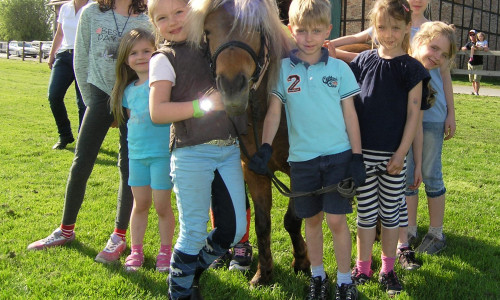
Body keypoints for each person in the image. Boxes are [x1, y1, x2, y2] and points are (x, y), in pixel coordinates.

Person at [250, 1, 365, 299]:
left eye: (316, 30)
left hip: (338, 157)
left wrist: (356, 156)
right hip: (302, 161)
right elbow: (274, 111)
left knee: (337, 221)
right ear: (291, 30)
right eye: (302, 30)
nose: (309, 37)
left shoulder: (340, 70)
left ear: (328, 30)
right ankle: (317, 278)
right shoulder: (282, 70)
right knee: (311, 220)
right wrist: (264, 147)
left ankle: (343, 281)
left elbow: (350, 115)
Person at [27, 0, 151, 265]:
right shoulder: (92, 12)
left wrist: (135, 100)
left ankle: (119, 236)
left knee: (129, 166)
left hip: (134, 100)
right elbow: (80, 58)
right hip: (99, 94)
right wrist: (92, 101)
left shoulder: (146, 18)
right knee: (81, 162)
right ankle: (65, 229)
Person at [147, 0, 247, 298]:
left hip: (228, 150)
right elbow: (157, 112)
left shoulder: (210, 44)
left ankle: (190, 271)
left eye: (179, 12)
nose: (173, 21)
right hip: (191, 152)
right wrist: (201, 107)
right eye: (163, 18)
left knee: (236, 229)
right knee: (192, 232)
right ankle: (179, 291)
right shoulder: (163, 58)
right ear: (155, 24)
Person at [348, 0, 430, 296]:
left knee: (391, 215)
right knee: (366, 214)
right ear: (374, 27)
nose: (389, 34)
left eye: (396, 27)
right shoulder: (363, 61)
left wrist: (401, 153)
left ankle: (387, 269)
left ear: (408, 27)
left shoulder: (412, 68)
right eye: (382, 27)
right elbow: (350, 108)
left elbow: (413, 115)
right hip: (363, 155)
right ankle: (362, 266)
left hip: (394, 157)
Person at [110, 28, 175, 272]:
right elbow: (130, 122)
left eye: (147, 51)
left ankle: (165, 251)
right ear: (126, 59)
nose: (140, 57)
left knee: (161, 206)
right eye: (134, 53)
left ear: (156, 52)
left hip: (161, 156)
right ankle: (136, 251)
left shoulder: (162, 84)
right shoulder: (127, 92)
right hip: (136, 157)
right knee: (140, 204)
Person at [407, 21, 457, 255]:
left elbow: (446, 81)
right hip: (406, 124)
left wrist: (451, 114)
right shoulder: (405, 60)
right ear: (420, 42)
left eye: (443, 54)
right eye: (434, 48)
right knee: (408, 175)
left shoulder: (439, 68)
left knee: (430, 173)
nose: (437, 56)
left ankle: (436, 233)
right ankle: (410, 228)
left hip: (433, 120)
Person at [47, 0, 91, 150]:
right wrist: (52, 54)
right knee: (54, 96)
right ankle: (65, 135)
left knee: (83, 102)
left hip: (84, 57)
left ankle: (83, 140)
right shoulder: (65, 8)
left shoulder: (93, 7)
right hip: (64, 56)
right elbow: (60, 33)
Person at [461, 29, 483, 95]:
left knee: (477, 80)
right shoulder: (469, 43)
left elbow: (484, 48)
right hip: (471, 64)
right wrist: (464, 48)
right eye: (470, 35)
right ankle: (475, 91)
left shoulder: (480, 42)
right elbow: (463, 48)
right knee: (472, 80)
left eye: (473, 34)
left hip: (478, 64)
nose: (472, 36)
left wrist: (478, 48)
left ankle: (476, 92)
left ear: (476, 35)